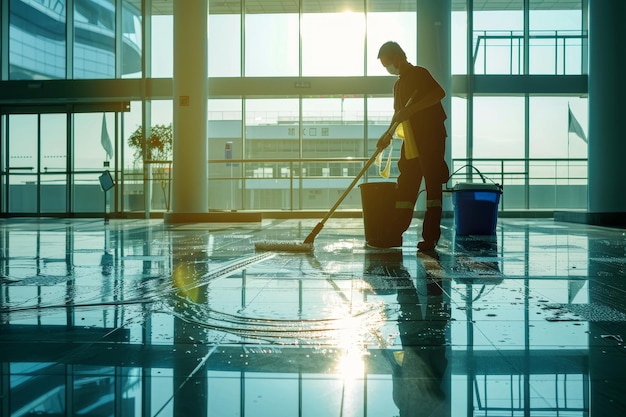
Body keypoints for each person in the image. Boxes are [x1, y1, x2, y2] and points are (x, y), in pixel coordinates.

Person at [376, 41, 449, 252]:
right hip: (411, 140)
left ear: (396, 59)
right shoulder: (398, 85)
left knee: (433, 187)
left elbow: (439, 94)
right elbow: (399, 113)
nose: (387, 69)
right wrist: (387, 134)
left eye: (386, 64)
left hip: (431, 137)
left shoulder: (420, 74)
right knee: (406, 183)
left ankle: (430, 237)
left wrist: (414, 109)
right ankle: (394, 233)